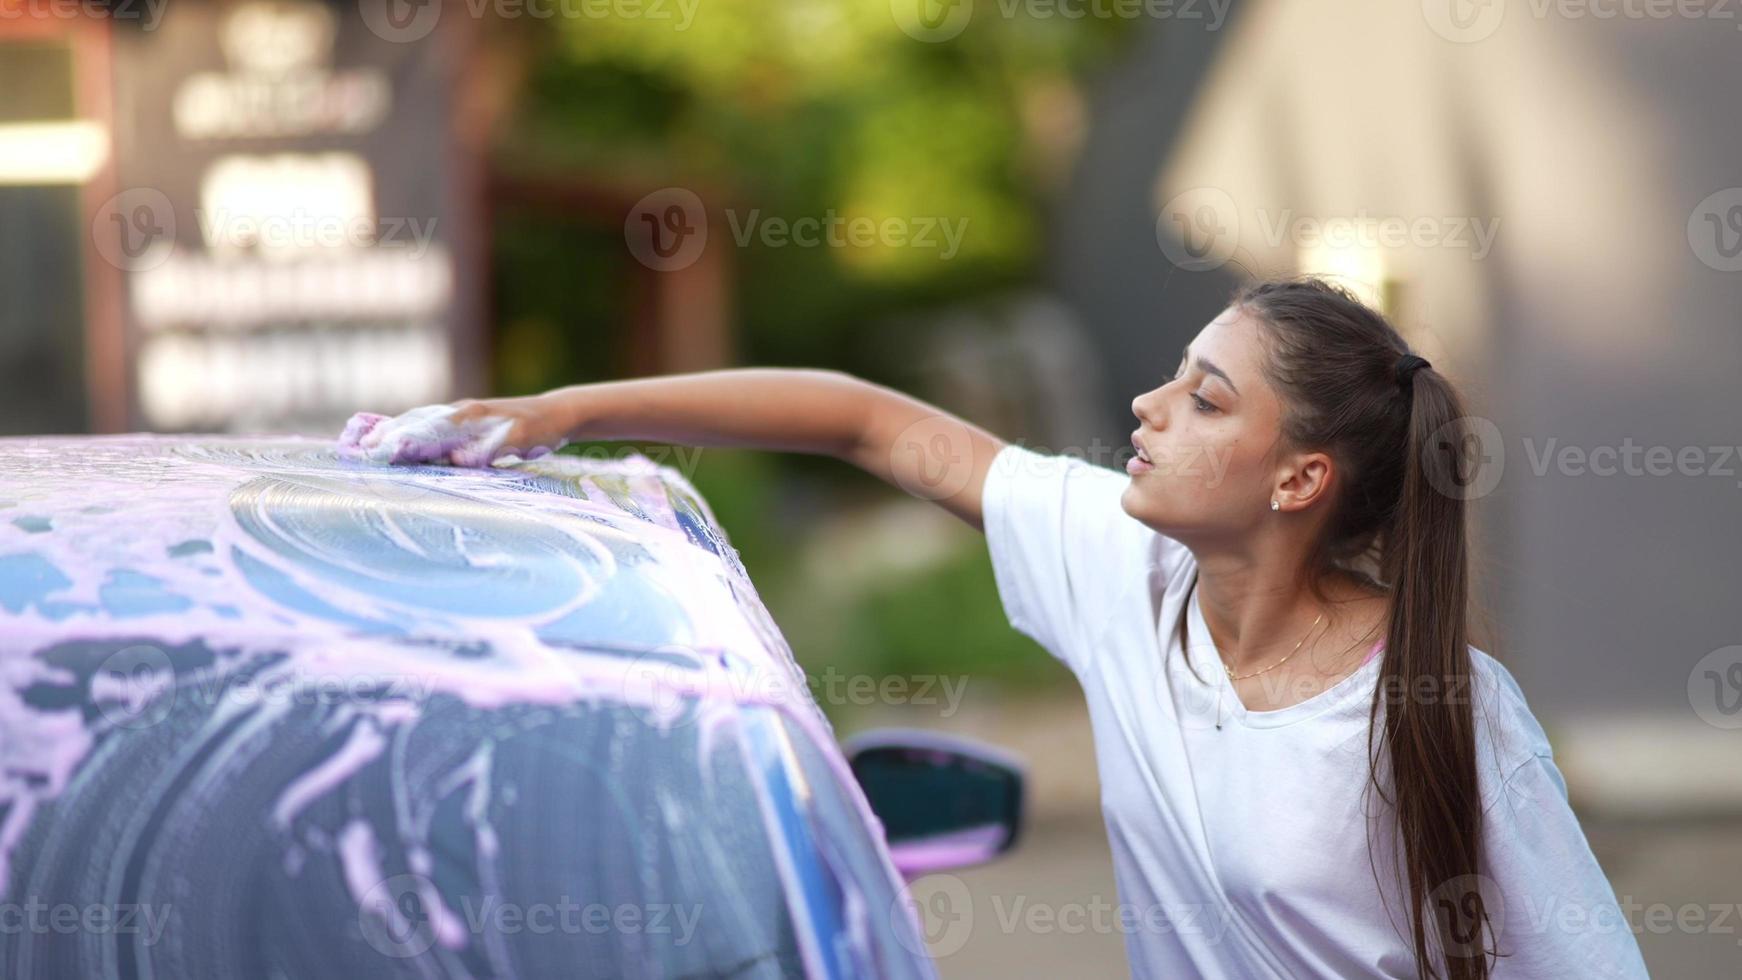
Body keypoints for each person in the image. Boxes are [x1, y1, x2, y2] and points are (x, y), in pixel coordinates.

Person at [357, 277, 1649, 979]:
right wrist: (564, 410)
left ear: (1297, 479)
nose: (1147, 404)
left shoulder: (1445, 708)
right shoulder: (1126, 569)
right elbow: (867, 422)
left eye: (1202, 400)